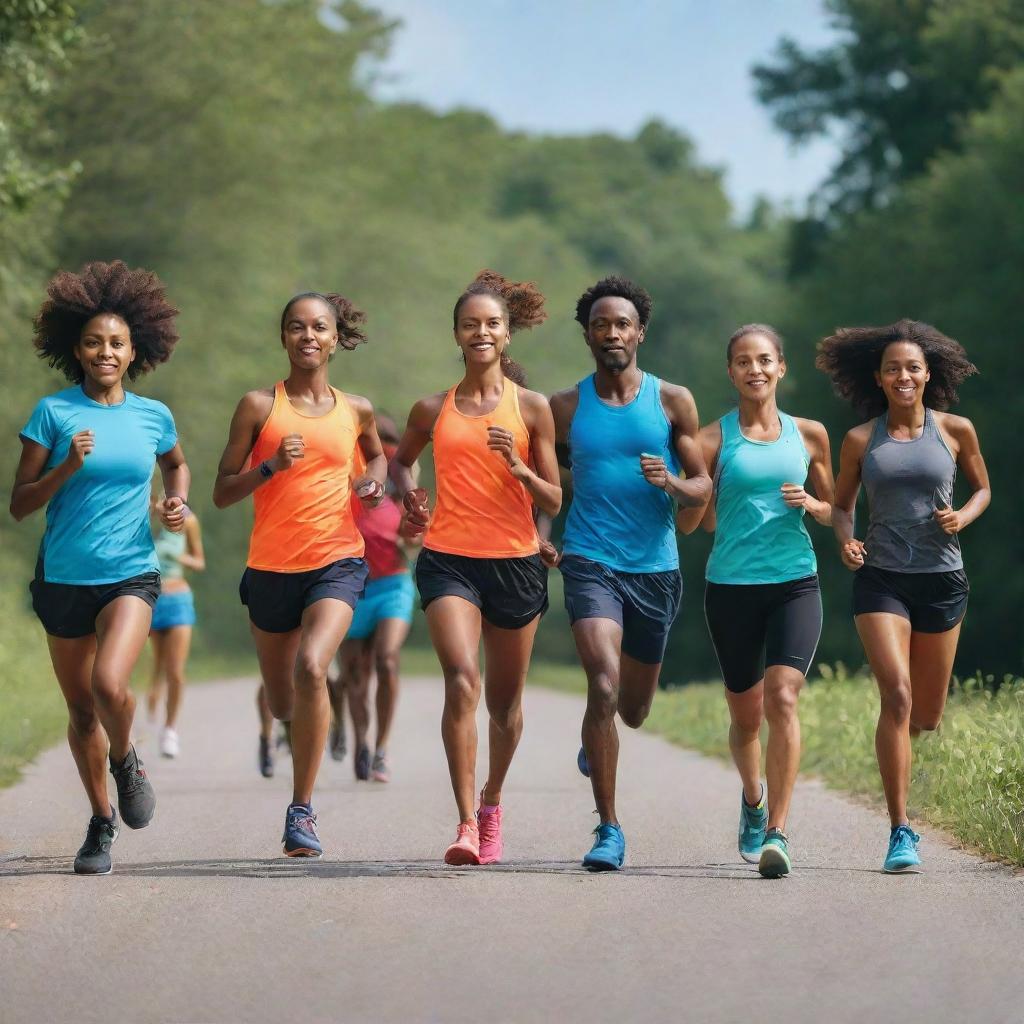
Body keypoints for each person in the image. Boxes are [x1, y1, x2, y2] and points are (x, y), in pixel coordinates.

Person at [10, 260, 190, 875]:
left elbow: (176, 465)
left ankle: (128, 758)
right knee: (81, 709)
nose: (104, 351)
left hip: (130, 572)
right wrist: (65, 469)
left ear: (134, 348)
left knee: (109, 686)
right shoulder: (52, 414)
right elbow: (19, 504)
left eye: (115, 342)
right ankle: (101, 820)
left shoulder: (152, 415)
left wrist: (177, 500)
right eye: (93, 342)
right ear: (76, 349)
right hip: (63, 576)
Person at [391, 270, 561, 865]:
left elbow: (555, 500)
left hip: (515, 563)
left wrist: (519, 466)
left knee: (505, 707)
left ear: (507, 336)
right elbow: (401, 463)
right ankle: (465, 823)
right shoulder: (431, 408)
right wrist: (412, 496)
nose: (481, 332)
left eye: (492, 324)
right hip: (449, 560)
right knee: (462, 678)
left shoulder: (533, 409)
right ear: (456, 336)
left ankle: (492, 802)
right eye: (471, 324)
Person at [542, 276, 711, 871]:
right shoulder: (564, 408)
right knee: (604, 684)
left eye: (622, 324)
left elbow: (701, 487)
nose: (612, 332)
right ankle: (608, 828)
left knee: (633, 709)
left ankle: (598, 740)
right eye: (601, 324)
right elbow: (546, 482)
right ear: (587, 334)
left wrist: (671, 482)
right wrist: (540, 534)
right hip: (589, 560)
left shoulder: (672, 401)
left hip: (655, 568)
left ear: (640, 332)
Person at [213, 291, 386, 857]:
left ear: (335, 339)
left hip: (337, 558)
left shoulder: (355, 408)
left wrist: (372, 483)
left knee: (314, 666)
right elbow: (221, 492)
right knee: (285, 700)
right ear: (283, 337)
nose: (308, 336)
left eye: (318, 328)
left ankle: (301, 811)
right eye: (296, 327)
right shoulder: (258, 406)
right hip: (269, 568)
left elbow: (377, 456)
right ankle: (311, 723)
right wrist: (270, 465)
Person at [818, 319, 990, 873]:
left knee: (927, 714)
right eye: (893, 368)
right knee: (896, 695)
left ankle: (901, 753)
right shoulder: (861, 440)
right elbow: (842, 505)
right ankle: (900, 829)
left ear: (927, 373)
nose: (904, 376)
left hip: (942, 578)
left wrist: (961, 514)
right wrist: (847, 541)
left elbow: (984, 487)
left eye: (912, 367)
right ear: (879, 377)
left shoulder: (957, 430)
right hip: (882, 577)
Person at [678, 324, 834, 878]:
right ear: (731, 372)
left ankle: (779, 832)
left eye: (764, 360)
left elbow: (836, 510)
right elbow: (693, 523)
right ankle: (752, 798)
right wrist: (696, 491)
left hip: (795, 580)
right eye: (743, 361)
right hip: (731, 586)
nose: (755, 370)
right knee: (745, 717)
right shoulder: (709, 440)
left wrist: (814, 505)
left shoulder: (810, 435)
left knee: (783, 698)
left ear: (781, 367)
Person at [333, 414, 420, 783]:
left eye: (389, 439)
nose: (384, 447)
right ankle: (361, 743)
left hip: (392, 586)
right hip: (352, 587)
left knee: (386, 659)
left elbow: (415, 538)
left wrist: (411, 535)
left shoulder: (403, 492)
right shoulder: (344, 480)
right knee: (354, 675)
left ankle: (382, 749)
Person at [147, 491, 205, 758]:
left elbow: (199, 561)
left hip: (178, 598)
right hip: (150, 599)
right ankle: (150, 709)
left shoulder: (188, 521)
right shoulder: (150, 519)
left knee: (175, 669)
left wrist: (178, 558)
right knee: (157, 662)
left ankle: (170, 729)